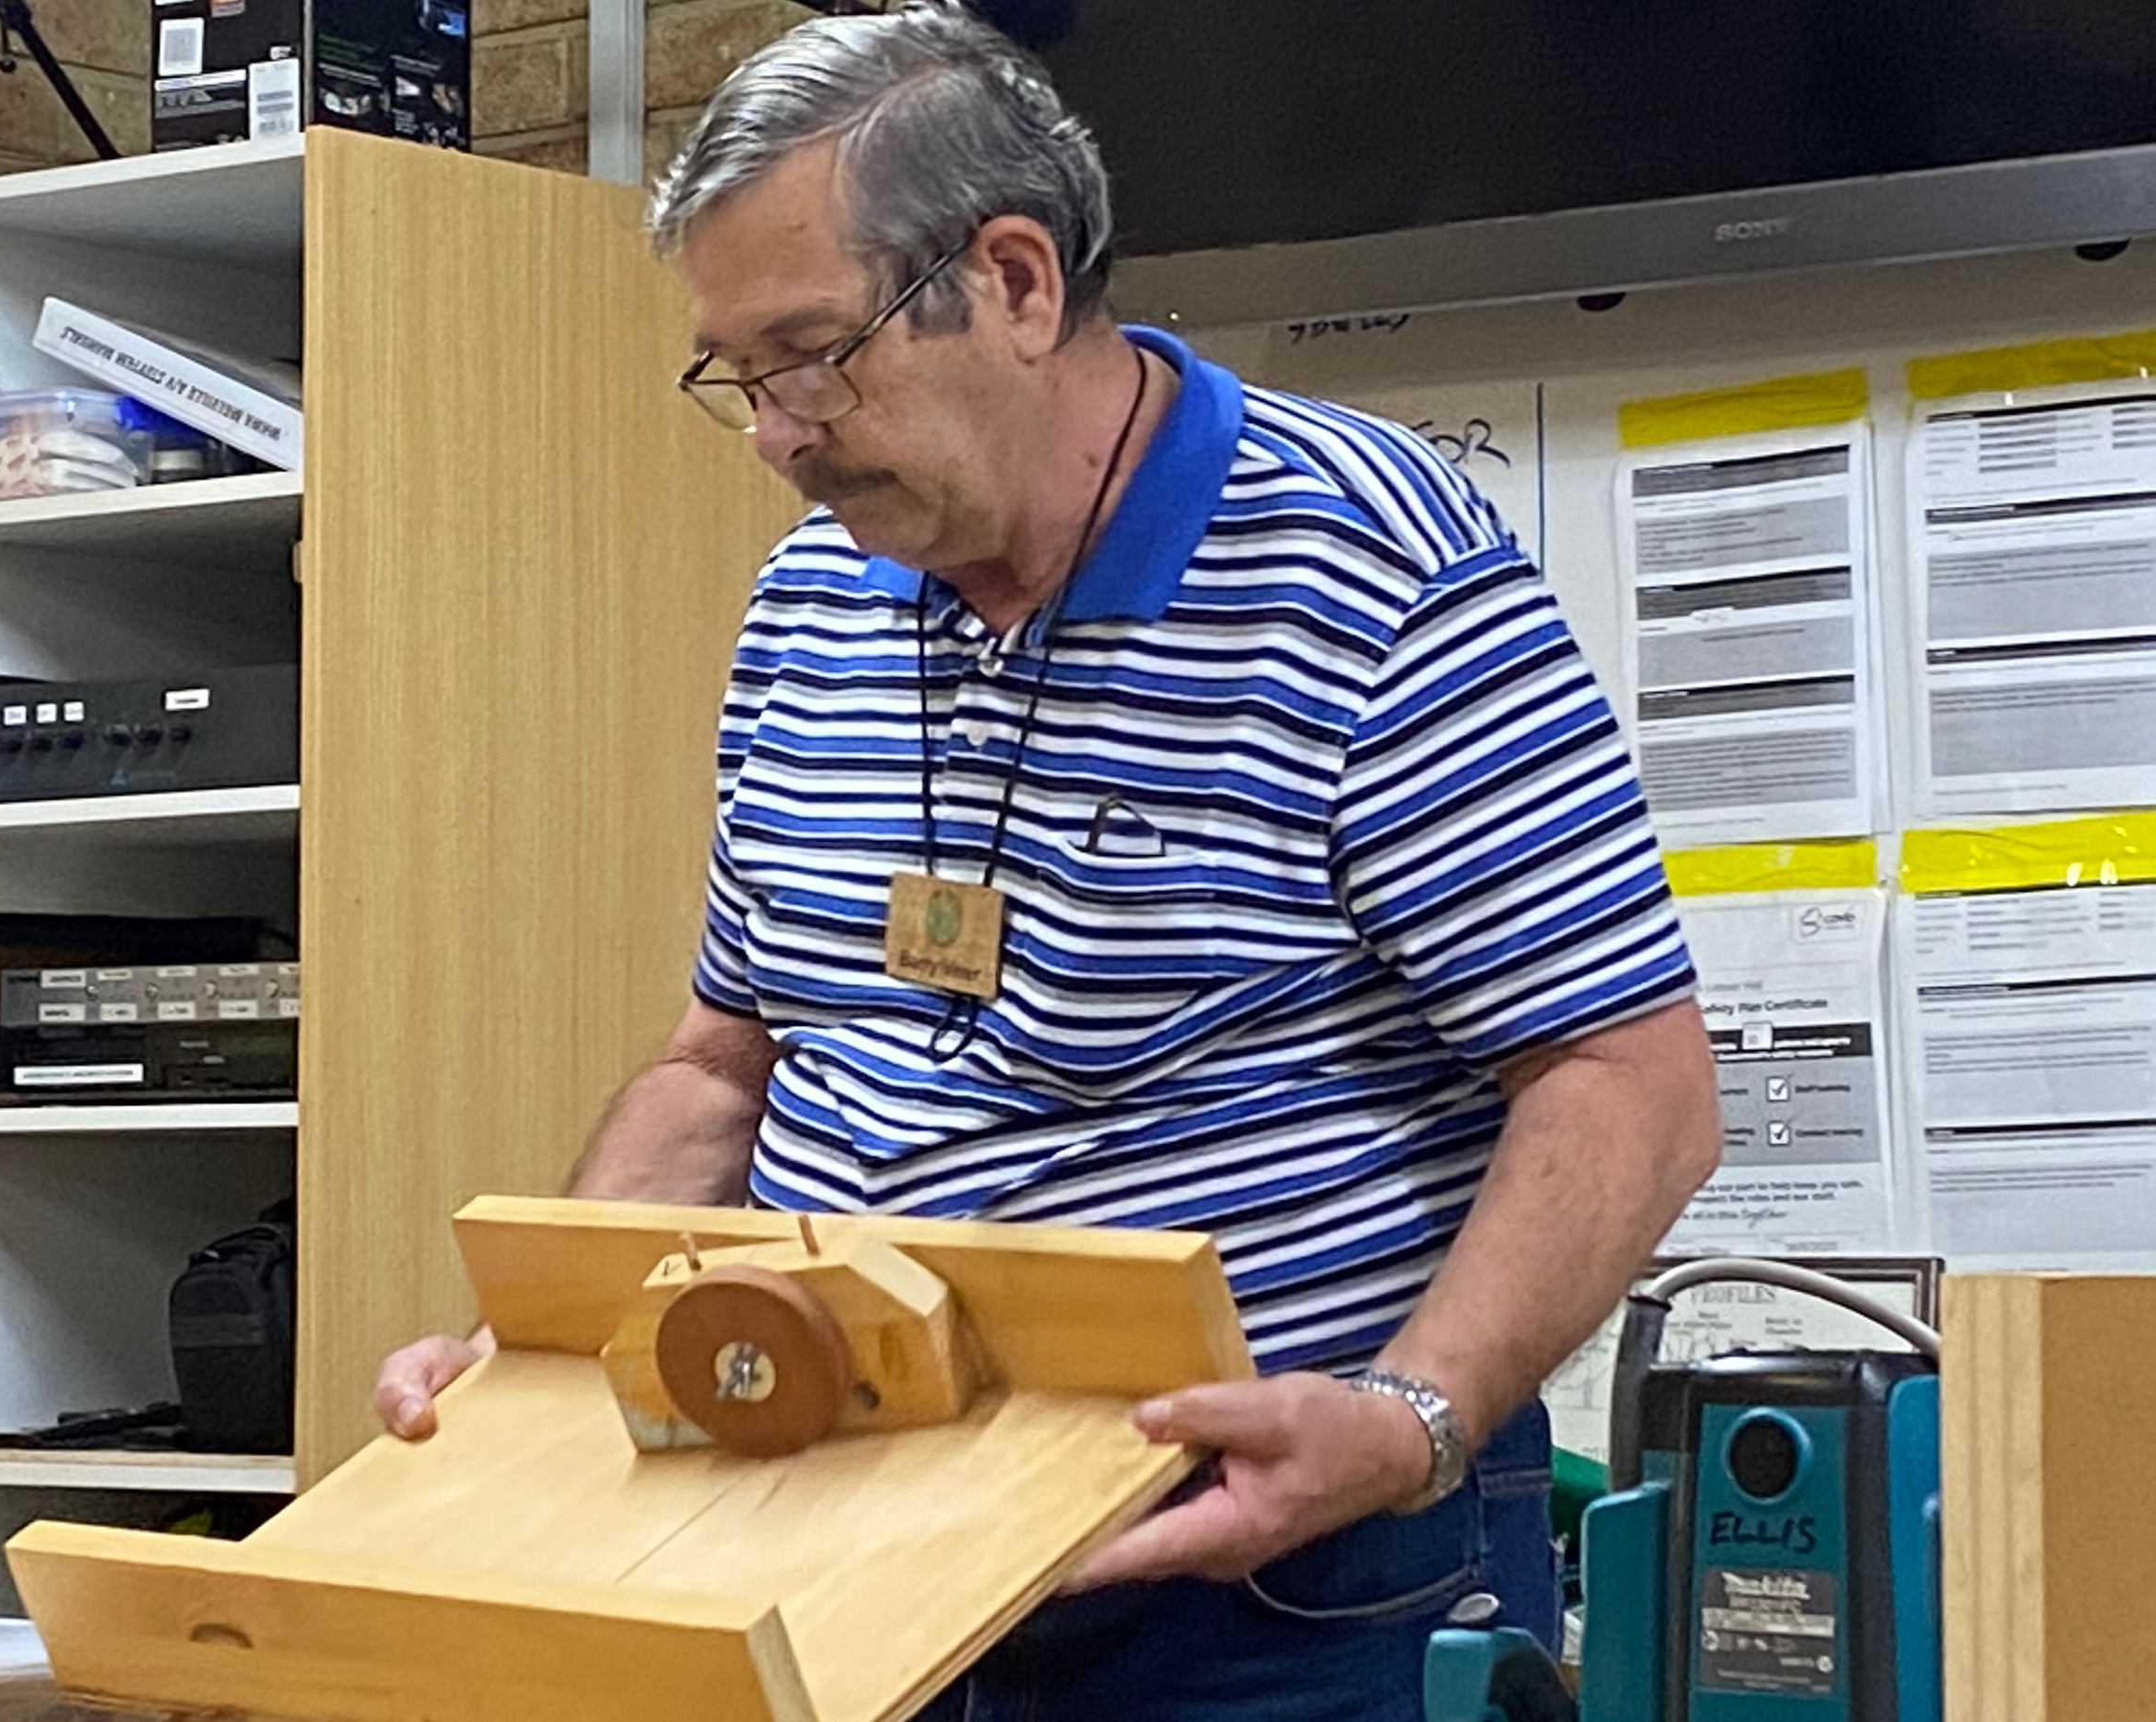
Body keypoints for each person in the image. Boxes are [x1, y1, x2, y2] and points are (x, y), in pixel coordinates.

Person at [374, 7, 1721, 1716]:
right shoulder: (811, 604)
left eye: (813, 354)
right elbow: (728, 1061)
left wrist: (1407, 1421)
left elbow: (1628, 1082)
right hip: (855, 1530)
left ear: (1013, 282)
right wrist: (548, 1350)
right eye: (741, 376)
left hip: (1288, 1587)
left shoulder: (1371, 575)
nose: (780, 434)